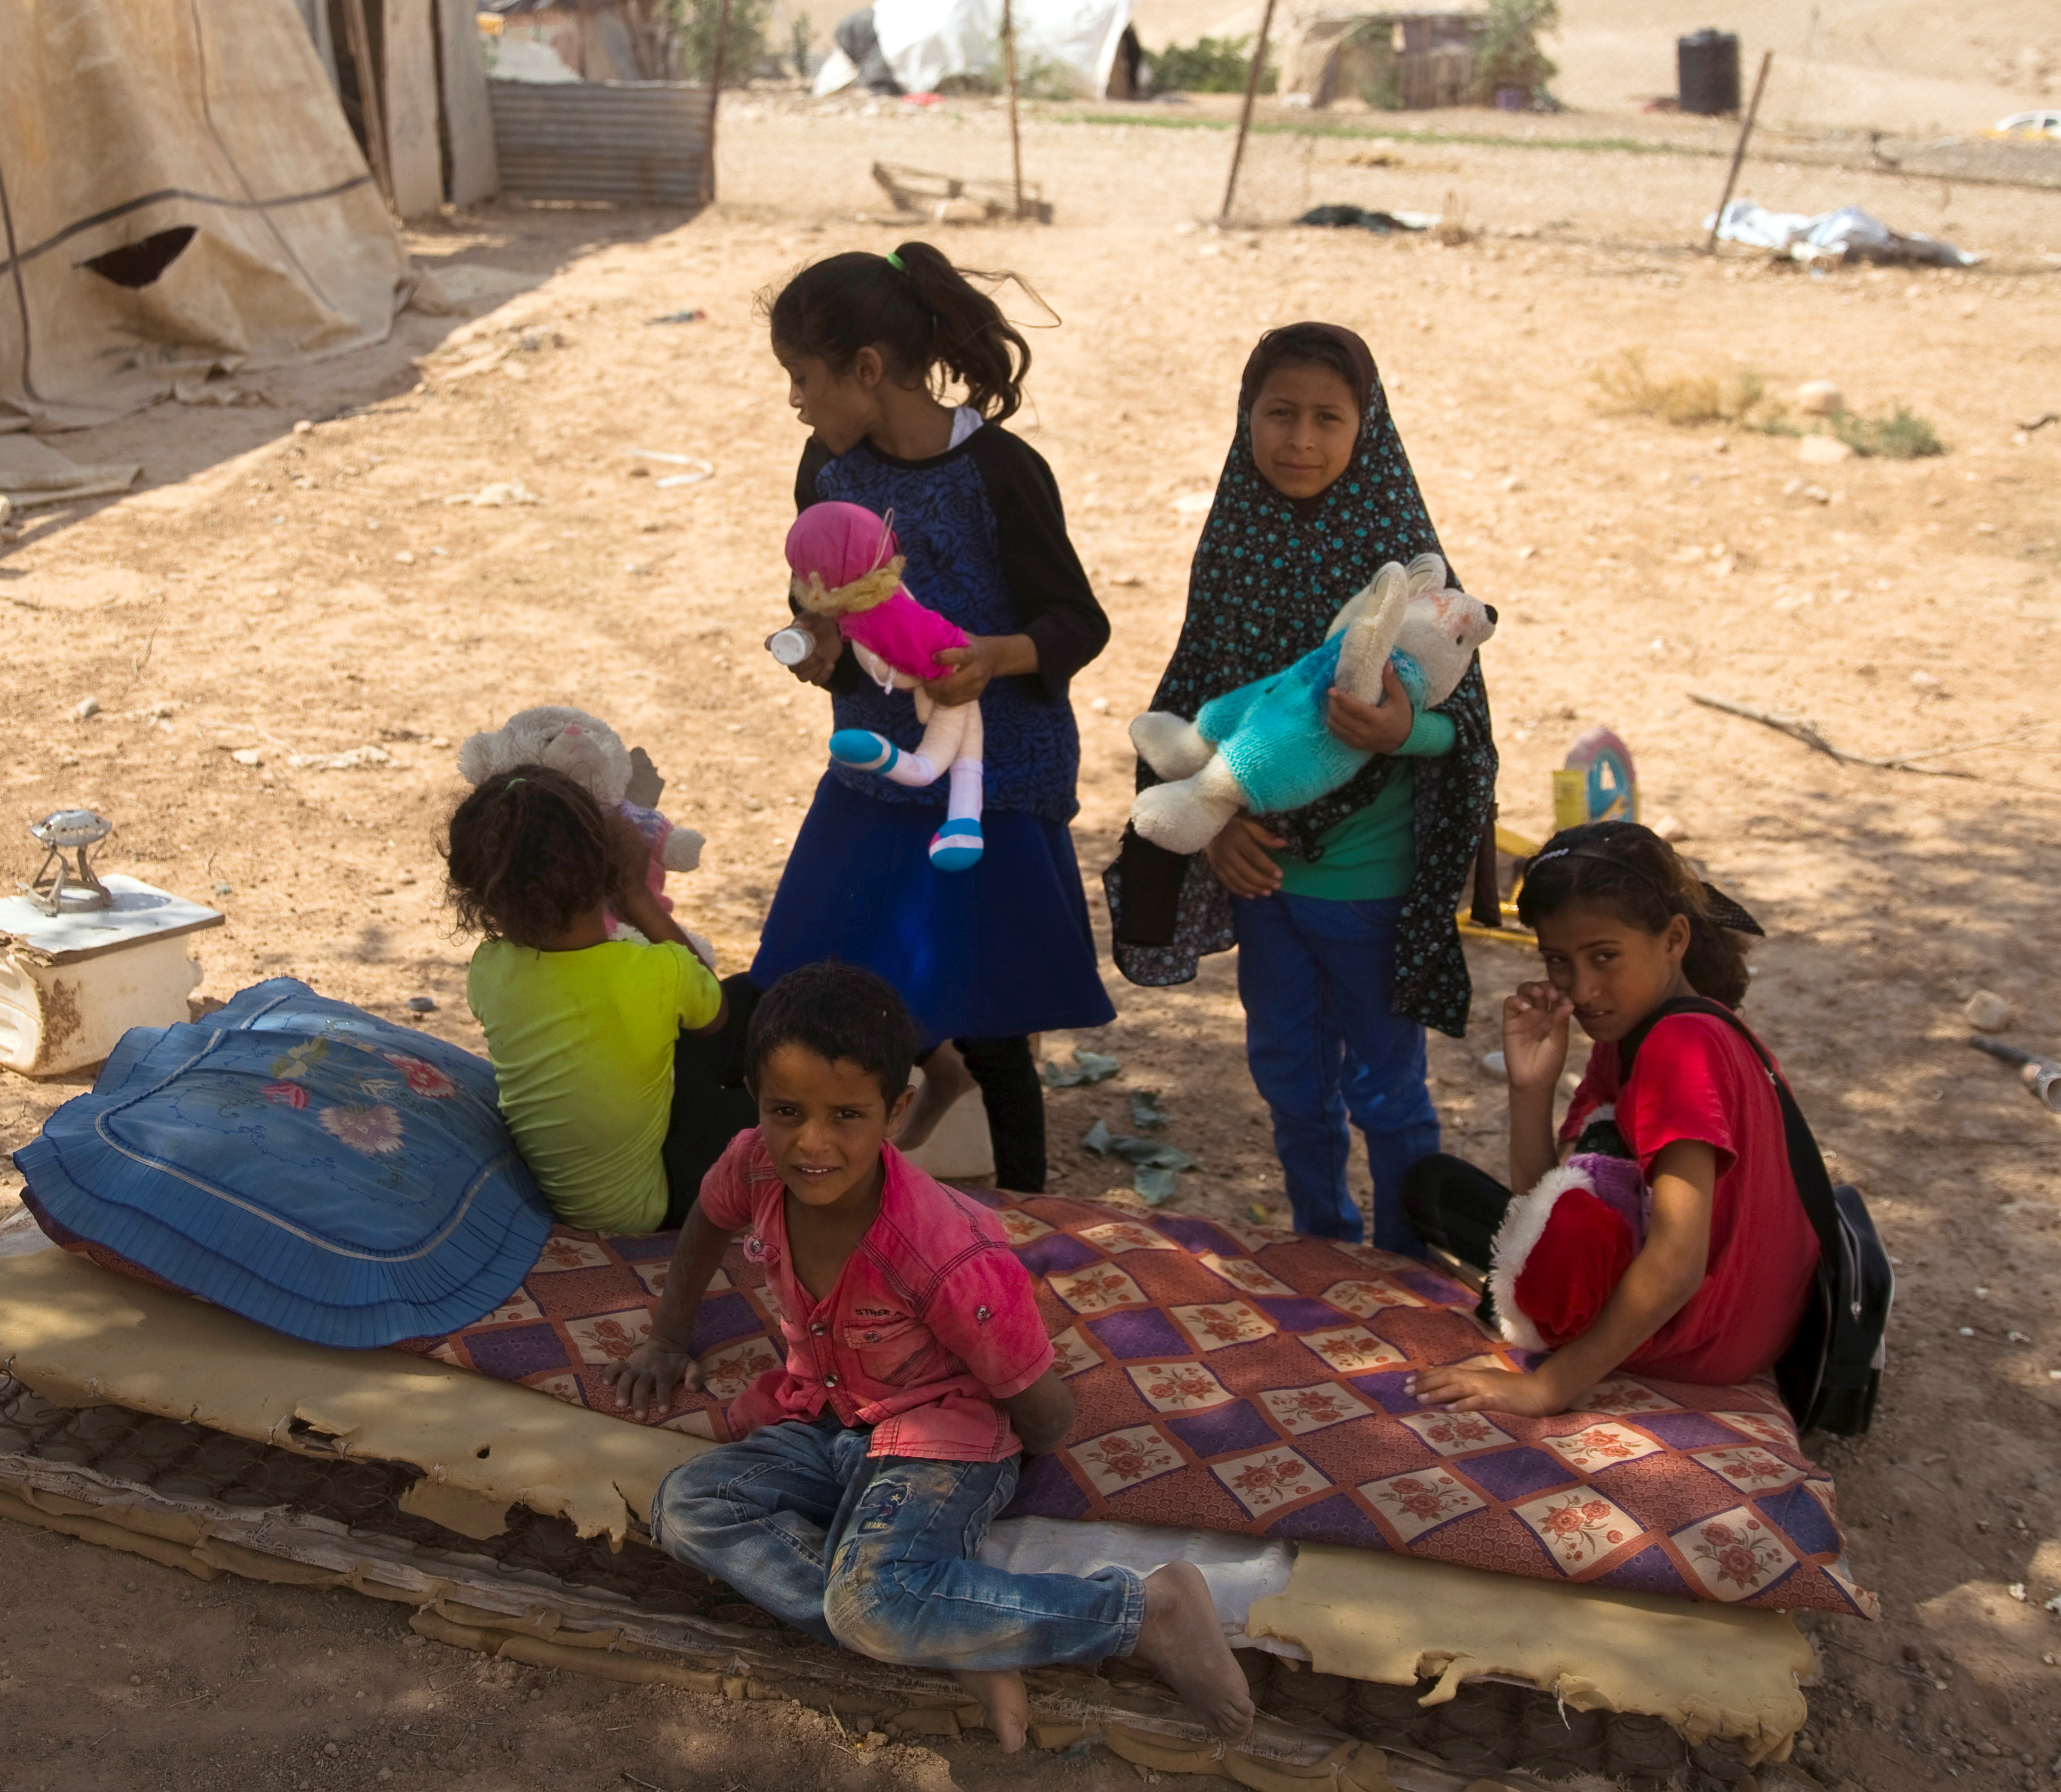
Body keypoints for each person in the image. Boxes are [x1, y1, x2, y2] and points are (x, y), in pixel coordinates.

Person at [614, 964, 1254, 1749]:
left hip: (939, 1437)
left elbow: (1044, 1412)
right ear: (756, 1098)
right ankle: (956, 1632)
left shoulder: (943, 1255)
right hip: (831, 1414)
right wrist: (668, 1335)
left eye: (846, 1115)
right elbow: (710, 1220)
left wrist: (1024, 1449)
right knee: (686, 1507)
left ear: (897, 1111)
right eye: (786, 1112)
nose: (810, 1142)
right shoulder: (755, 1162)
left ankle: (1140, 1613)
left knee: (875, 1608)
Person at [1108, 321, 1497, 1254]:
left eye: (1329, 417)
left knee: (1387, 1088)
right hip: (1264, 883)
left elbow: (1463, 725)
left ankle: (1407, 1259)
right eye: (1278, 413)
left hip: (1370, 886)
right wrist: (1211, 829)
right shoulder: (1235, 541)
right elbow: (1202, 694)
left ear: (1370, 428)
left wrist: (1406, 728)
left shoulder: (1398, 558)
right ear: (1247, 418)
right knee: (1287, 1072)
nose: (1300, 440)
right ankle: (1321, 1242)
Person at [753, 241, 1111, 1194]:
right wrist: (816, 643)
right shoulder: (826, 473)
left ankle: (1029, 1223)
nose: (795, 402)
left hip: (992, 785)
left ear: (867, 371)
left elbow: (1078, 622)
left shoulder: (1001, 473)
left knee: (994, 1021)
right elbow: (819, 597)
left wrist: (996, 657)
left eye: (803, 378)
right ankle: (904, 1119)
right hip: (877, 776)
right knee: (814, 986)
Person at [1399, 822, 1818, 1412]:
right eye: (1558, 960)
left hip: (1698, 1340)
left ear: (1675, 939)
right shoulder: (1645, 1029)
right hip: (1752, 1327)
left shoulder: (1681, 1046)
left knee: (1428, 1190)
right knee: (1436, 1187)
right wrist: (1531, 1087)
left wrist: (1551, 1385)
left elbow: (1676, 1261)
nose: (1583, 987)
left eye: (1604, 956)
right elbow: (1547, 1203)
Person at [446, 765, 749, 1234]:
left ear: (482, 898)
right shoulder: (657, 971)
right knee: (754, 1021)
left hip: (565, 1192)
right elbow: (719, 1019)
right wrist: (636, 898)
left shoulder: (489, 969)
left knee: (669, 1037)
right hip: (647, 1207)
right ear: (606, 866)